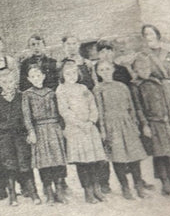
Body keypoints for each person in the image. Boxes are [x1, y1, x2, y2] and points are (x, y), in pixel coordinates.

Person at [93, 58, 150, 200]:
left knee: (134, 156)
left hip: (126, 123)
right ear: (98, 73)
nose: (105, 72)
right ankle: (125, 187)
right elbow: (99, 110)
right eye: (101, 70)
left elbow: (131, 107)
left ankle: (138, 186)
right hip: (111, 124)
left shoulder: (122, 86)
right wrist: (103, 130)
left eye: (107, 69)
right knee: (118, 157)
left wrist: (135, 124)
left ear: (112, 70)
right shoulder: (98, 88)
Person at [55, 58, 107, 203]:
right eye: (67, 74)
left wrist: (91, 120)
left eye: (74, 73)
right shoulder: (61, 90)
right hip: (76, 130)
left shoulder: (83, 88)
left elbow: (92, 105)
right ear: (62, 75)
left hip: (89, 128)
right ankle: (88, 192)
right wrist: (79, 124)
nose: (71, 76)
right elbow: (64, 111)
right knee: (83, 163)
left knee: (94, 161)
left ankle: (97, 189)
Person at [130, 54, 170, 196]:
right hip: (152, 124)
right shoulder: (136, 86)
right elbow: (138, 107)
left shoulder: (157, 83)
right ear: (135, 70)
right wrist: (145, 125)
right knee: (159, 155)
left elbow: (166, 103)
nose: (144, 70)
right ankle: (165, 183)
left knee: (169, 154)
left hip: (164, 123)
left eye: (146, 67)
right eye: (140, 68)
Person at [0, 67, 38, 205]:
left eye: (10, 81)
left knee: (24, 162)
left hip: (21, 135)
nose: (8, 84)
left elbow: (29, 117)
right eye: (4, 82)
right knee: (8, 163)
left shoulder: (22, 97)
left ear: (15, 82)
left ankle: (32, 191)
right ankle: (12, 194)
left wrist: (30, 132)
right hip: (4, 135)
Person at [22, 63, 68, 203]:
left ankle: (59, 190)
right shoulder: (27, 94)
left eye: (38, 75)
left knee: (58, 160)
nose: (36, 78)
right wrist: (31, 132)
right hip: (39, 130)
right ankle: (48, 191)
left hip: (54, 128)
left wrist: (62, 128)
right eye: (33, 76)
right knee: (44, 162)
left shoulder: (52, 92)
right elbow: (26, 116)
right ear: (29, 79)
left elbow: (61, 112)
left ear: (43, 76)